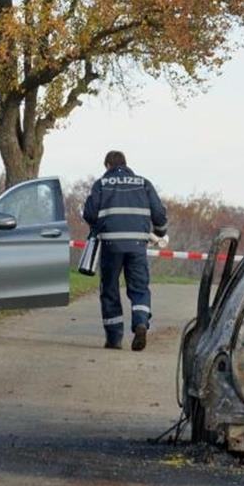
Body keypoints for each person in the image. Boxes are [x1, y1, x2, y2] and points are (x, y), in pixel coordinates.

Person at [82, 150, 169, 351]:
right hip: (138, 244)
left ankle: (114, 339)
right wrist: (159, 232)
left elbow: (89, 213)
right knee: (139, 288)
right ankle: (140, 323)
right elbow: (159, 213)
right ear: (126, 164)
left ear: (107, 166)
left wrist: (99, 227)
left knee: (110, 289)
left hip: (111, 245)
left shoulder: (102, 184)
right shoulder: (143, 183)